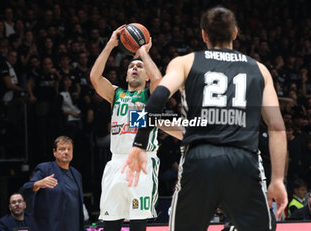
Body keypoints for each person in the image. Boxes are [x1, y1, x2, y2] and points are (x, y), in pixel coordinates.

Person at [123, 6, 288, 231]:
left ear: (203, 34)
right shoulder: (259, 69)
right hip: (243, 160)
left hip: (199, 159)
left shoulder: (185, 62)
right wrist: (278, 179)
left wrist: (139, 143)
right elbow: (277, 127)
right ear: (235, 33)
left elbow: (158, 96)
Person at [90, 25, 162, 231]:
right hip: (116, 163)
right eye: (131, 66)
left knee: (138, 223)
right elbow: (95, 77)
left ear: (146, 76)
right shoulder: (116, 94)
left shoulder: (150, 95)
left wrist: (142, 53)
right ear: (125, 75)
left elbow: (158, 79)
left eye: (140, 66)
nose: (135, 68)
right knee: (110, 224)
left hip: (142, 161)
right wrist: (111, 44)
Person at [21, 136, 84, 231]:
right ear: (54, 152)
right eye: (62, 149)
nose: (66, 152)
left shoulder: (76, 174)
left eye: (69, 149)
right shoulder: (45, 169)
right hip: (51, 227)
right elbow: (26, 188)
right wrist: (39, 183)